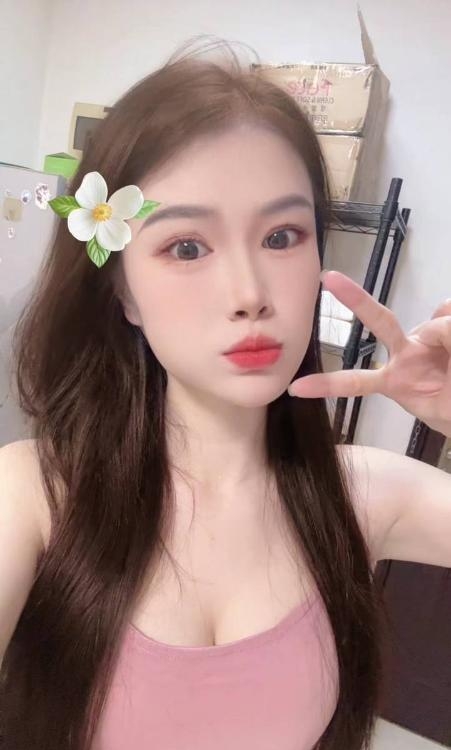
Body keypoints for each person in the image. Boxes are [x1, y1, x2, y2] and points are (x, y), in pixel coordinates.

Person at [1, 36, 451, 750]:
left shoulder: (362, 495)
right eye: (186, 247)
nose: (249, 293)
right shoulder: (31, 496)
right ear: (122, 292)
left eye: (282, 236)